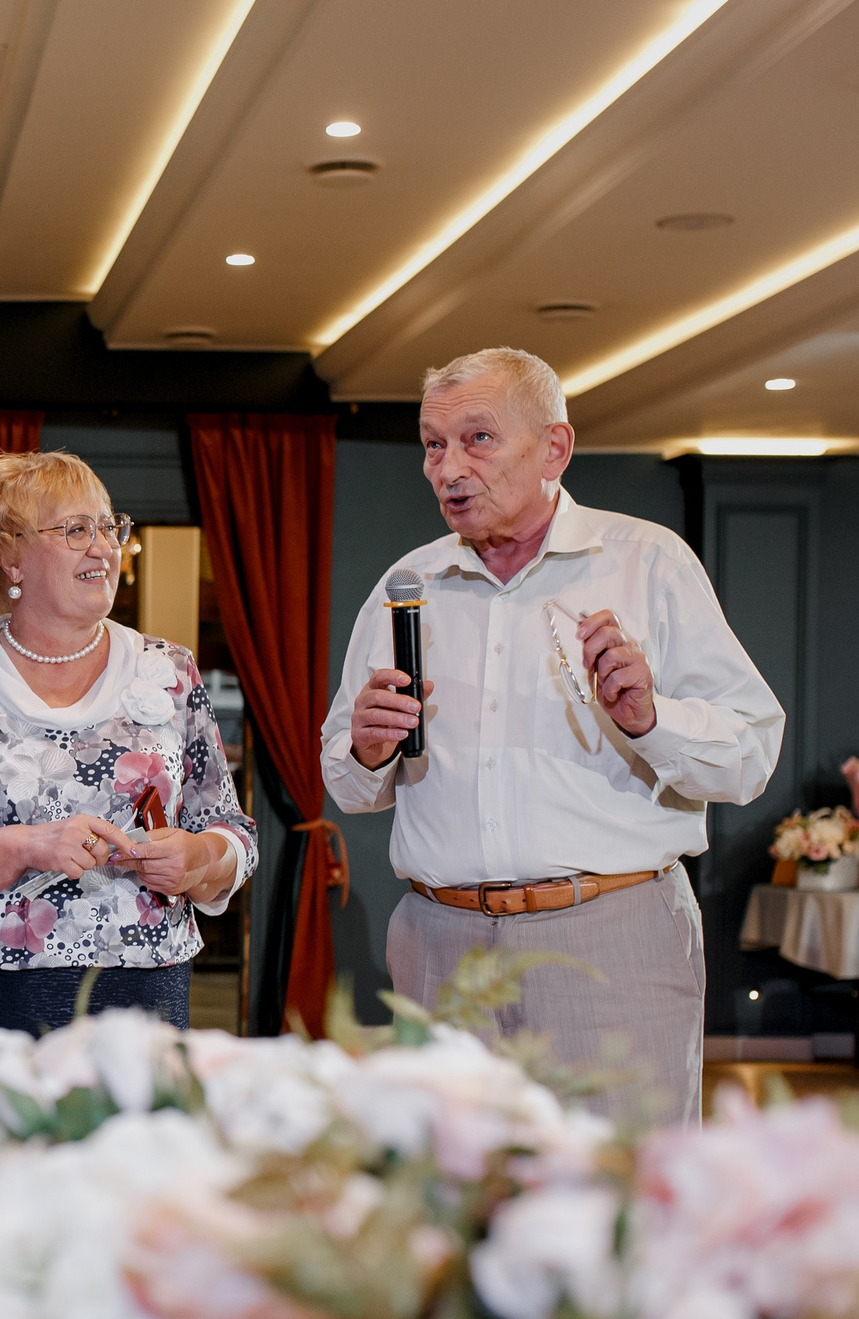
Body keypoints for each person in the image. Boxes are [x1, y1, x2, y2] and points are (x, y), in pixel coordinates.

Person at [319, 346, 783, 1126]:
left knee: (620, 1200)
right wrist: (366, 747)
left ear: (554, 448)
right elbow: (347, 780)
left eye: (478, 439)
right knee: (447, 1206)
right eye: (433, 444)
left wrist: (651, 717)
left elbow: (750, 752)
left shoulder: (647, 564)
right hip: (440, 946)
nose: (447, 468)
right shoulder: (409, 586)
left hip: (611, 939)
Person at [0, 450, 255, 1033]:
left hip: (146, 994)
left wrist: (197, 858)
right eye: (76, 529)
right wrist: (27, 846)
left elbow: (233, 830)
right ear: (9, 558)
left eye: (109, 527)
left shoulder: (170, 670)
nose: (103, 546)